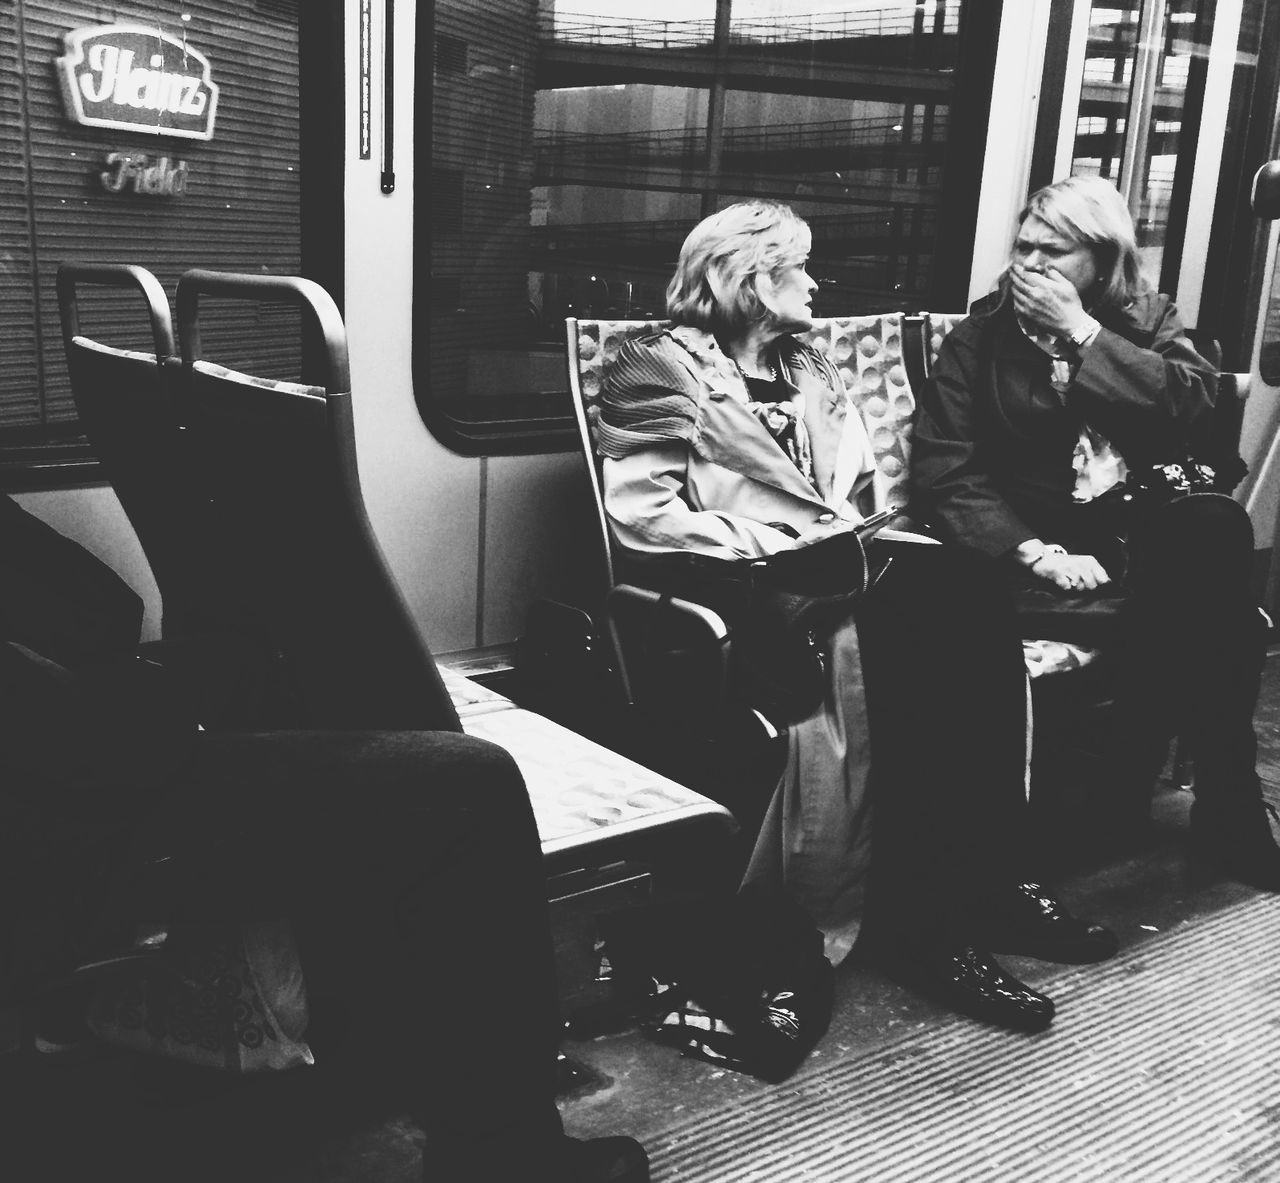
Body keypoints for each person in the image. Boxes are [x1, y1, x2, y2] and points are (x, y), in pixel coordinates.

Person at [0, 495, 647, 1183]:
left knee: (251, 666)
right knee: (470, 788)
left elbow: (101, 606)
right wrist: (150, 706)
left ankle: (363, 1041)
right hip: (48, 824)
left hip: (46, 748)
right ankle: (503, 1157)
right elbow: (71, 708)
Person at [595, 199, 1117, 1035]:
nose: (812, 282)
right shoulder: (654, 365)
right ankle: (929, 927)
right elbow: (643, 515)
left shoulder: (813, 367)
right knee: (924, 629)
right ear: (754, 281)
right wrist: (777, 540)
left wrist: (847, 536)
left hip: (837, 566)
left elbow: (859, 491)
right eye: (797, 267)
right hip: (740, 582)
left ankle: (984, 881)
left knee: (969, 595)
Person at [911, 174, 1280, 890]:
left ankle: (1128, 796)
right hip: (1040, 556)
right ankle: (1218, 807)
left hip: (1143, 545)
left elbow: (1198, 407)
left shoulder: (1144, 319)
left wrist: (1085, 336)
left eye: (1056, 251)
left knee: (1207, 534)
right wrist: (1035, 551)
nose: (1031, 265)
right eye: (1024, 246)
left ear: (1103, 263)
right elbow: (946, 469)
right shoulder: (981, 338)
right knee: (1220, 615)